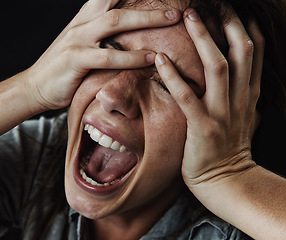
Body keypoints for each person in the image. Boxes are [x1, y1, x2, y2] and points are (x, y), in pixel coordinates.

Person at [0, 0, 286, 239]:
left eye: (169, 85)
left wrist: (228, 173)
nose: (112, 96)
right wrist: (28, 90)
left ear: (234, 121)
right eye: (111, 54)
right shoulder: (38, 155)